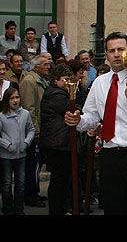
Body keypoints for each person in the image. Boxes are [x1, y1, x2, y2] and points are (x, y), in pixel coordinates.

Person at [64, 31, 127, 215]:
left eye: (121, 49)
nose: (116, 54)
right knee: (114, 208)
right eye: (111, 50)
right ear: (106, 55)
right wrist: (78, 120)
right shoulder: (99, 83)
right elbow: (91, 116)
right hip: (110, 154)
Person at [39, 62, 74, 215]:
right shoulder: (55, 94)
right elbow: (71, 109)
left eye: (70, 79)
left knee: (63, 179)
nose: (69, 83)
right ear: (56, 79)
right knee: (58, 180)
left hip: (60, 142)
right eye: (66, 79)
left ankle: (62, 208)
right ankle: (56, 210)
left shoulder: (57, 91)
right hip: (57, 143)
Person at [19, 53, 50, 208]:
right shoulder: (29, 82)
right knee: (32, 164)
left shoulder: (41, 80)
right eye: (45, 65)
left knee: (36, 164)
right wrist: (35, 131)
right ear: (37, 66)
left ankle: (34, 191)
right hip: (33, 132)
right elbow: (29, 108)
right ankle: (29, 195)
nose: (48, 67)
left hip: (41, 130)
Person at [0, 87, 35, 215]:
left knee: (20, 183)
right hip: (6, 156)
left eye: (17, 98)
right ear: (7, 100)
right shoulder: (2, 116)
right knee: (7, 183)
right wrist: (7, 145)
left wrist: (26, 142)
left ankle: (19, 209)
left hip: (21, 154)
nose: (15, 101)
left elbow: (31, 129)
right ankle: (8, 209)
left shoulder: (25, 114)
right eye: (12, 98)